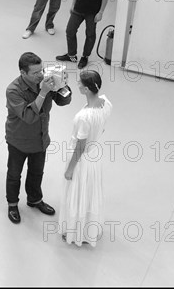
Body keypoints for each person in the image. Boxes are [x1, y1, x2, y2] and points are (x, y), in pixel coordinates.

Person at [5, 52, 72, 224]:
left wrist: (62, 85)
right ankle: (12, 204)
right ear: (23, 73)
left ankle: (34, 199)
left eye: (41, 70)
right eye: (35, 73)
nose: (40, 75)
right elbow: (28, 117)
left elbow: (63, 102)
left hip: (40, 138)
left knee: (37, 172)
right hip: (18, 140)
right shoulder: (13, 90)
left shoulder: (44, 81)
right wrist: (43, 92)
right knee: (14, 174)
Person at [59, 70, 112, 247]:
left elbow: (80, 147)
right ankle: (89, 229)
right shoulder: (106, 103)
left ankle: (75, 233)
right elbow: (102, 128)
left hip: (82, 160)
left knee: (77, 194)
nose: (78, 85)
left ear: (88, 89)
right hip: (95, 154)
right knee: (90, 193)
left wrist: (70, 169)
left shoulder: (84, 117)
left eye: (80, 83)